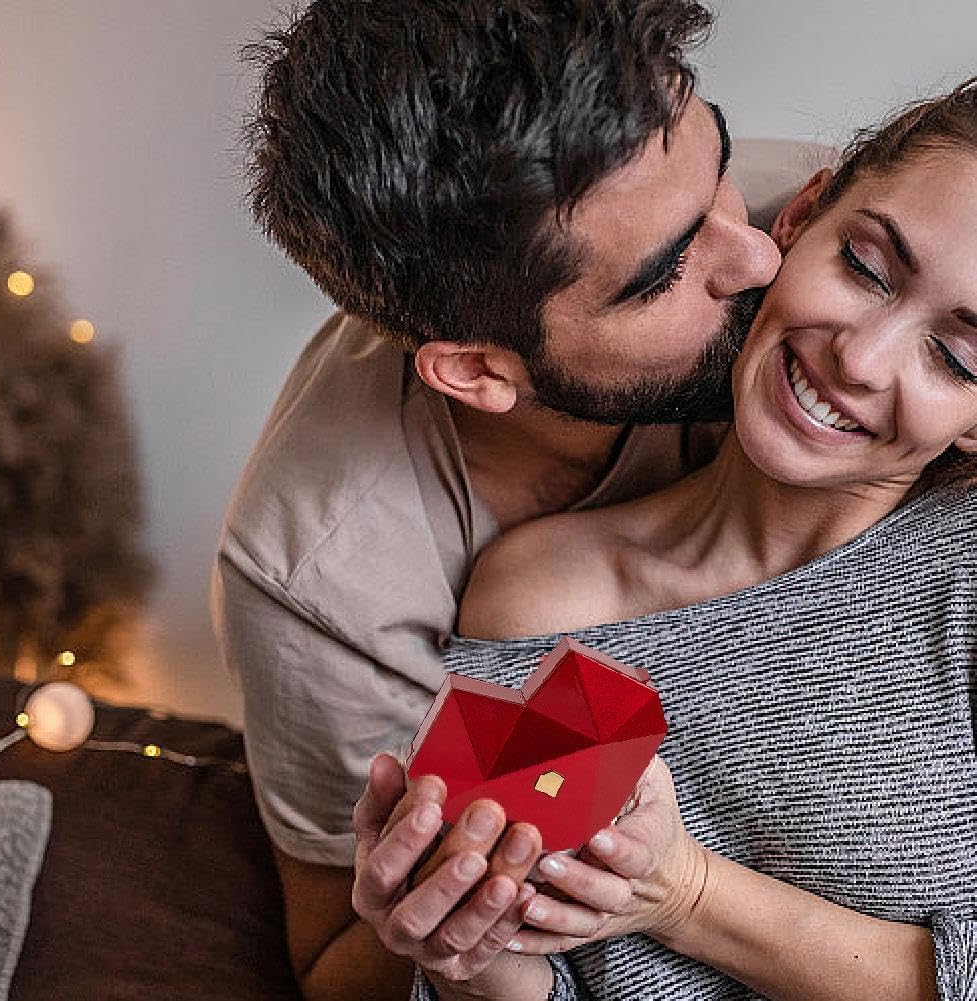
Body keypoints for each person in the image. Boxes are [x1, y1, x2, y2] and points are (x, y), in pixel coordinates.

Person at [353, 82, 977, 1000]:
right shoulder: (550, 598)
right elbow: (539, 968)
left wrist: (684, 892)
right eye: (865, 266)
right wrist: (464, 946)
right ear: (803, 215)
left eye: (958, 356)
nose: (860, 356)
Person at [212, 0, 783, 996]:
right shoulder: (317, 576)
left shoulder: (808, 226)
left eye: (718, 155)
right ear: (477, 370)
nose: (758, 256)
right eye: (661, 277)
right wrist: (433, 927)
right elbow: (328, 968)